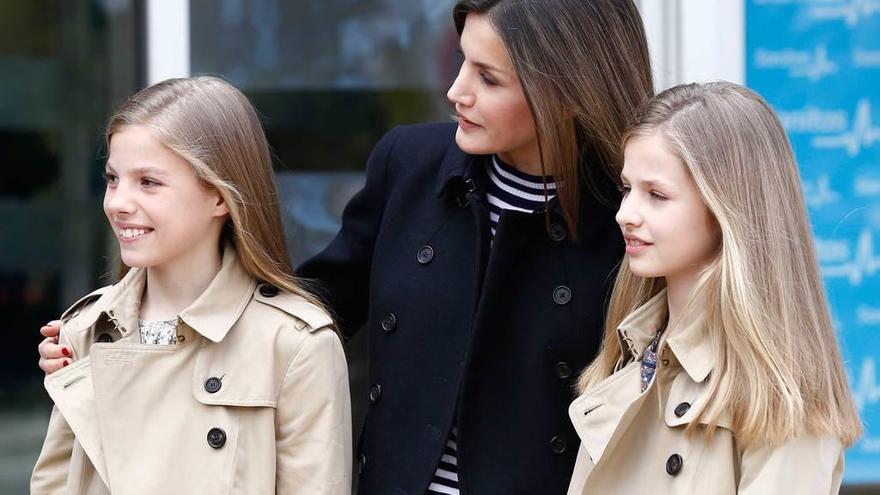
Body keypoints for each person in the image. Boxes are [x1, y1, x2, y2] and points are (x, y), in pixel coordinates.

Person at [39, 0, 654, 493]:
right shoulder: (411, 165)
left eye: (487, 77)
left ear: (566, 91)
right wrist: (124, 338)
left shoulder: (631, 215)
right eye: (462, 61)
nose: (455, 91)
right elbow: (300, 308)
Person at [30, 76, 352, 494]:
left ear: (219, 196)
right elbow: (55, 484)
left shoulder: (294, 346)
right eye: (113, 179)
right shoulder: (86, 329)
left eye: (148, 182)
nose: (118, 203)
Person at [566, 82, 862, 494]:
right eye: (627, 188)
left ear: (728, 207)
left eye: (657, 195)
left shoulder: (778, 392)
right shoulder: (631, 353)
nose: (624, 213)